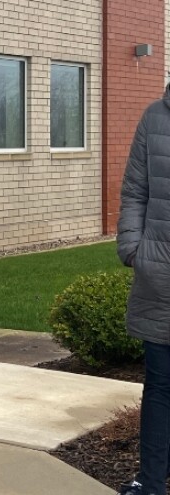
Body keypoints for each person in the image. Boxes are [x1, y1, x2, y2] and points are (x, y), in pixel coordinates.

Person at [115, 85, 170, 495]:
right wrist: (134, 249)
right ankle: (150, 483)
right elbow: (135, 190)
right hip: (160, 279)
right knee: (160, 387)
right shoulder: (155, 117)